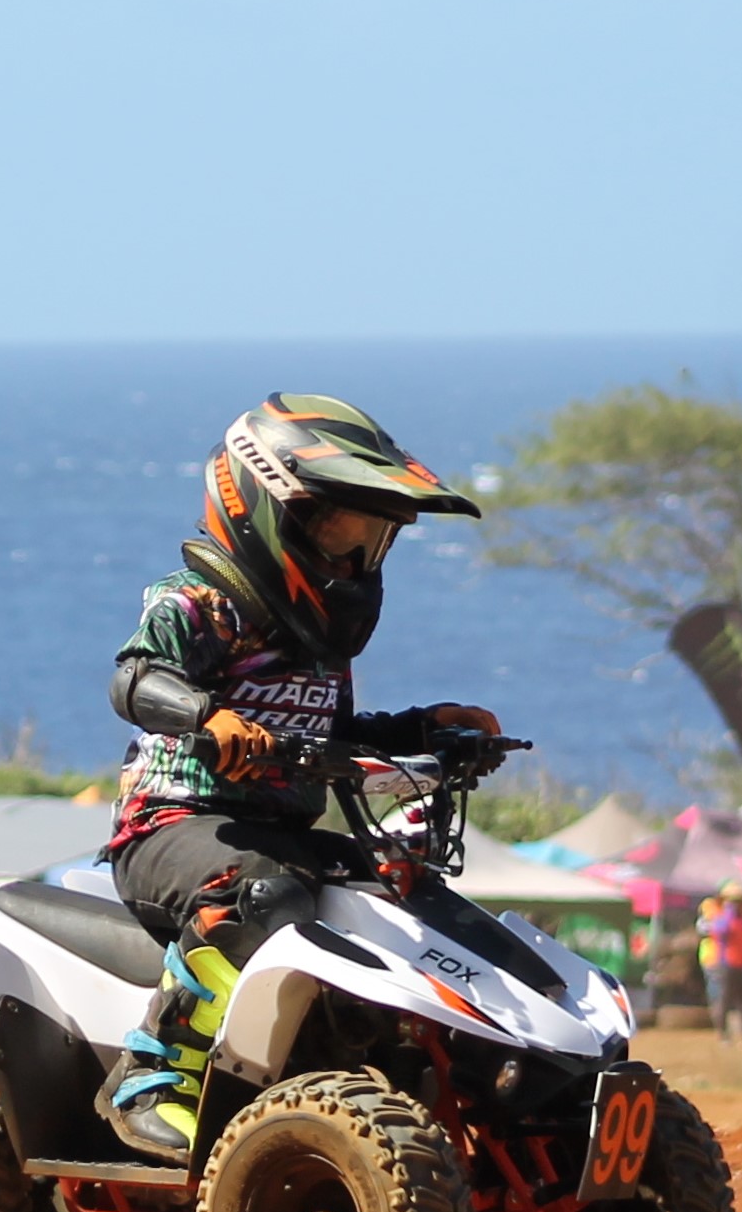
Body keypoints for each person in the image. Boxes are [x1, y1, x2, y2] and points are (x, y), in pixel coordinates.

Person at [99, 393, 498, 1158]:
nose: (355, 559)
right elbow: (133, 680)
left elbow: (331, 733)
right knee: (260, 891)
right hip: (172, 826)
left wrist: (423, 730)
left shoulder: (320, 647)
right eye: (340, 530)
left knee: (400, 891)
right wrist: (203, 716)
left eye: (373, 539)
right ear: (266, 506)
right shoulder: (199, 604)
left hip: (278, 830)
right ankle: (150, 1076)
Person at [704, 880, 742, 1042]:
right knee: (725, 1000)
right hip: (726, 963)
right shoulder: (722, 918)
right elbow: (720, 932)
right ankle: (724, 1034)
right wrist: (729, 913)